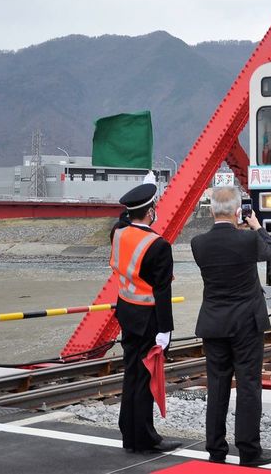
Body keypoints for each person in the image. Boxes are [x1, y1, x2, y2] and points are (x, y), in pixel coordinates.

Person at [190, 187, 271, 467]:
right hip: (247, 325)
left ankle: (216, 450)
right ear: (239, 211)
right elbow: (270, 252)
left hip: (214, 324)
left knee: (217, 387)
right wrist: (257, 227)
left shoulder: (198, 243)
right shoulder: (249, 239)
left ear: (212, 210)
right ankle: (249, 451)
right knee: (248, 385)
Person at [109, 177, 181, 454]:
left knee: (132, 375)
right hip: (149, 318)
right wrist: (166, 330)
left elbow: (122, 219)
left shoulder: (119, 233)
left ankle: (130, 434)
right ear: (150, 212)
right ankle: (146, 438)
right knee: (145, 379)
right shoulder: (158, 245)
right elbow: (162, 291)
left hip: (126, 312)